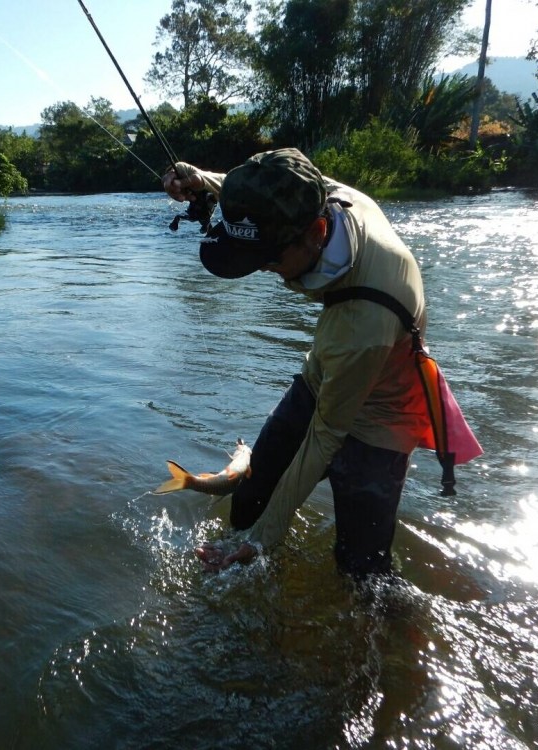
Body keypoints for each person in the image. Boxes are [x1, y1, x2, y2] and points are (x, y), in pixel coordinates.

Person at [163, 148, 430, 578]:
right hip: (322, 376)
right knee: (248, 499)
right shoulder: (325, 198)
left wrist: (259, 541)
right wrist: (202, 179)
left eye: (268, 258)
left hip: (382, 418)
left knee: (362, 572)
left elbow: (325, 437)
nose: (263, 269)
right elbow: (271, 187)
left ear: (317, 231)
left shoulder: (363, 321)